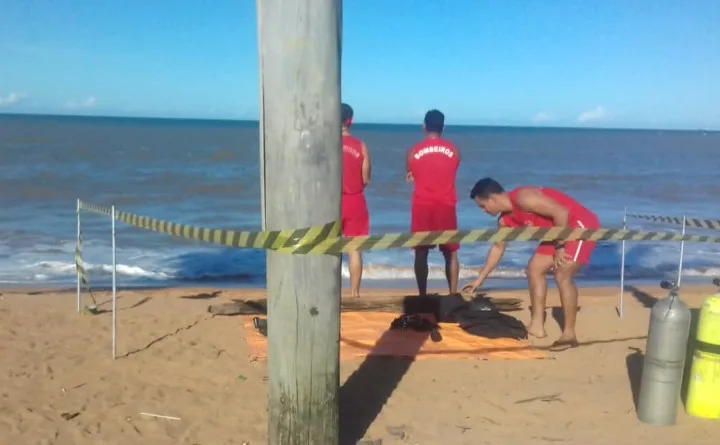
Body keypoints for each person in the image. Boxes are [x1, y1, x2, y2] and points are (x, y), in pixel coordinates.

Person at [463, 177, 600, 351]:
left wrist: (560, 247)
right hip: (556, 232)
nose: (483, 211)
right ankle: (537, 326)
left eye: (483, 206)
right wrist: (479, 280)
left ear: (493, 199)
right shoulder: (505, 222)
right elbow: (498, 248)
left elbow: (562, 213)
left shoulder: (523, 197)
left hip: (579, 224)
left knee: (562, 273)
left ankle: (569, 334)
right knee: (534, 269)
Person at [406, 109, 461, 297]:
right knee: (450, 252)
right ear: (443, 128)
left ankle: (422, 294)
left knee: (421, 253)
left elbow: (411, 172)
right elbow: (452, 168)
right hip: (446, 205)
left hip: (422, 206)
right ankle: (453, 294)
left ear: (424, 127)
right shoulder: (454, 150)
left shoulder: (413, 151)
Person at [341, 103, 371, 298]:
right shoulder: (361, 146)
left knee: (329, 247)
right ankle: (354, 292)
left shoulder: (326, 144)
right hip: (355, 200)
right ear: (351, 121)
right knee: (355, 249)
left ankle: (331, 289)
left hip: (331, 201)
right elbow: (366, 178)